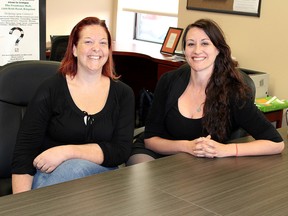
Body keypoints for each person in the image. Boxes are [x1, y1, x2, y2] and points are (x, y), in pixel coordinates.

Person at [126, 18, 284, 165]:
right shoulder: (168, 81)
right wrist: (188, 146)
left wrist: (225, 150)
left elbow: (276, 143)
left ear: (218, 50)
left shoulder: (233, 92)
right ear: (185, 51)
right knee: (141, 174)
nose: (197, 50)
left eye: (205, 43)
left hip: (201, 163)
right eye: (190, 44)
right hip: (159, 154)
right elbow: (150, 139)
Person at [12, 17, 135, 193]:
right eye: (88, 42)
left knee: (75, 167)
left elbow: (120, 151)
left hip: (102, 178)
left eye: (103, 43)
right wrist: (20, 204)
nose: (96, 48)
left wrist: (66, 152)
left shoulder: (123, 94)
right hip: (52, 176)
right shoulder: (51, 89)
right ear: (75, 49)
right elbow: (24, 153)